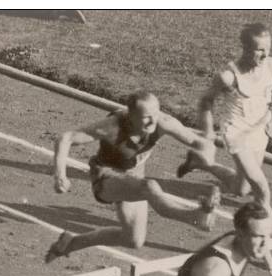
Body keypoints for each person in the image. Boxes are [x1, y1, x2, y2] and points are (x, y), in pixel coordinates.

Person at [46, 90, 221, 263]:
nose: (153, 120)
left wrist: (206, 152)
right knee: (150, 187)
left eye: (156, 113)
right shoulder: (112, 126)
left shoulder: (162, 122)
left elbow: (198, 142)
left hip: (133, 179)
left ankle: (71, 243)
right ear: (131, 116)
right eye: (146, 117)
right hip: (105, 178)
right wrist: (60, 175)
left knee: (133, 240)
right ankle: (193, 217)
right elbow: (66, 138)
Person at [176, 23, 272, 227]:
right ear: (245, 48)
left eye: (268, 49)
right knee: (261, 187)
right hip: (236, 132)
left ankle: (201, 163)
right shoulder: (228, 76)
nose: (265, 55)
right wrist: (208, 134)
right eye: (259, 50)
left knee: (241, 189)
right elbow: (205, 101)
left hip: (260, 128)